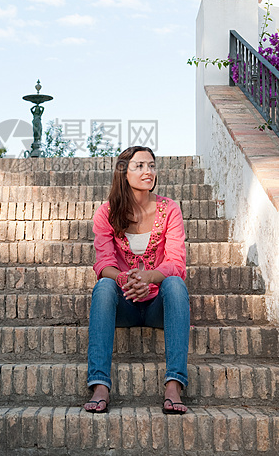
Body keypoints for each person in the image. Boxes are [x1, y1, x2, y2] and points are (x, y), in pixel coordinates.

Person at [84, 146, 190, 414]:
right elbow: (103, 264)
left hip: (158, 307)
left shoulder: (170, 209)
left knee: (175, 284)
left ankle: (174, 384)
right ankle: (99, 384)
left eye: (152, 165)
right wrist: (123, 279)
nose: (149, 171)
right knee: (104, 286)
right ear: (124, 172)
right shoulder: (107, 212)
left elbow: (176, 262)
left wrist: (149, 278)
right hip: (124, 305)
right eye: (140, 166)